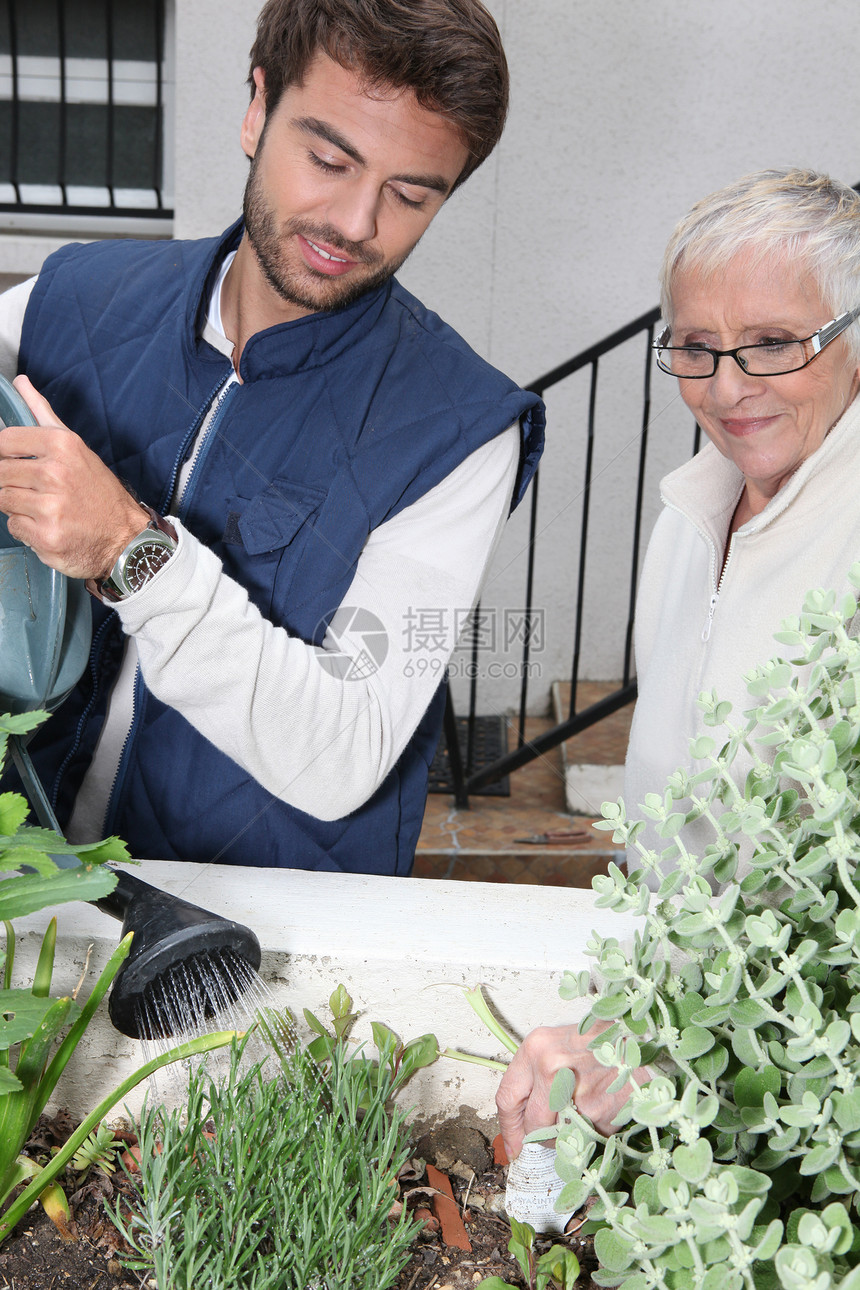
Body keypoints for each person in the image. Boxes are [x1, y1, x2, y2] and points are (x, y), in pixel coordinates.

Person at [0, 0, 543, 874]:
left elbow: (344, 752)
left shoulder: (462, 431)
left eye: (410, 194)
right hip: (27, 890)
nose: (358, 222)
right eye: (330, 159)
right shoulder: (72, 298)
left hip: (257, 946)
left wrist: (126, 549)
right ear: (258, 108)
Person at [496, 167, 860, 1160]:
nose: (727, 386)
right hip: (663, 1058)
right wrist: (632, 1019)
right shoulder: (689, 510)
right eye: (695, 349)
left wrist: (678, 1037)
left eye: (774, 344)